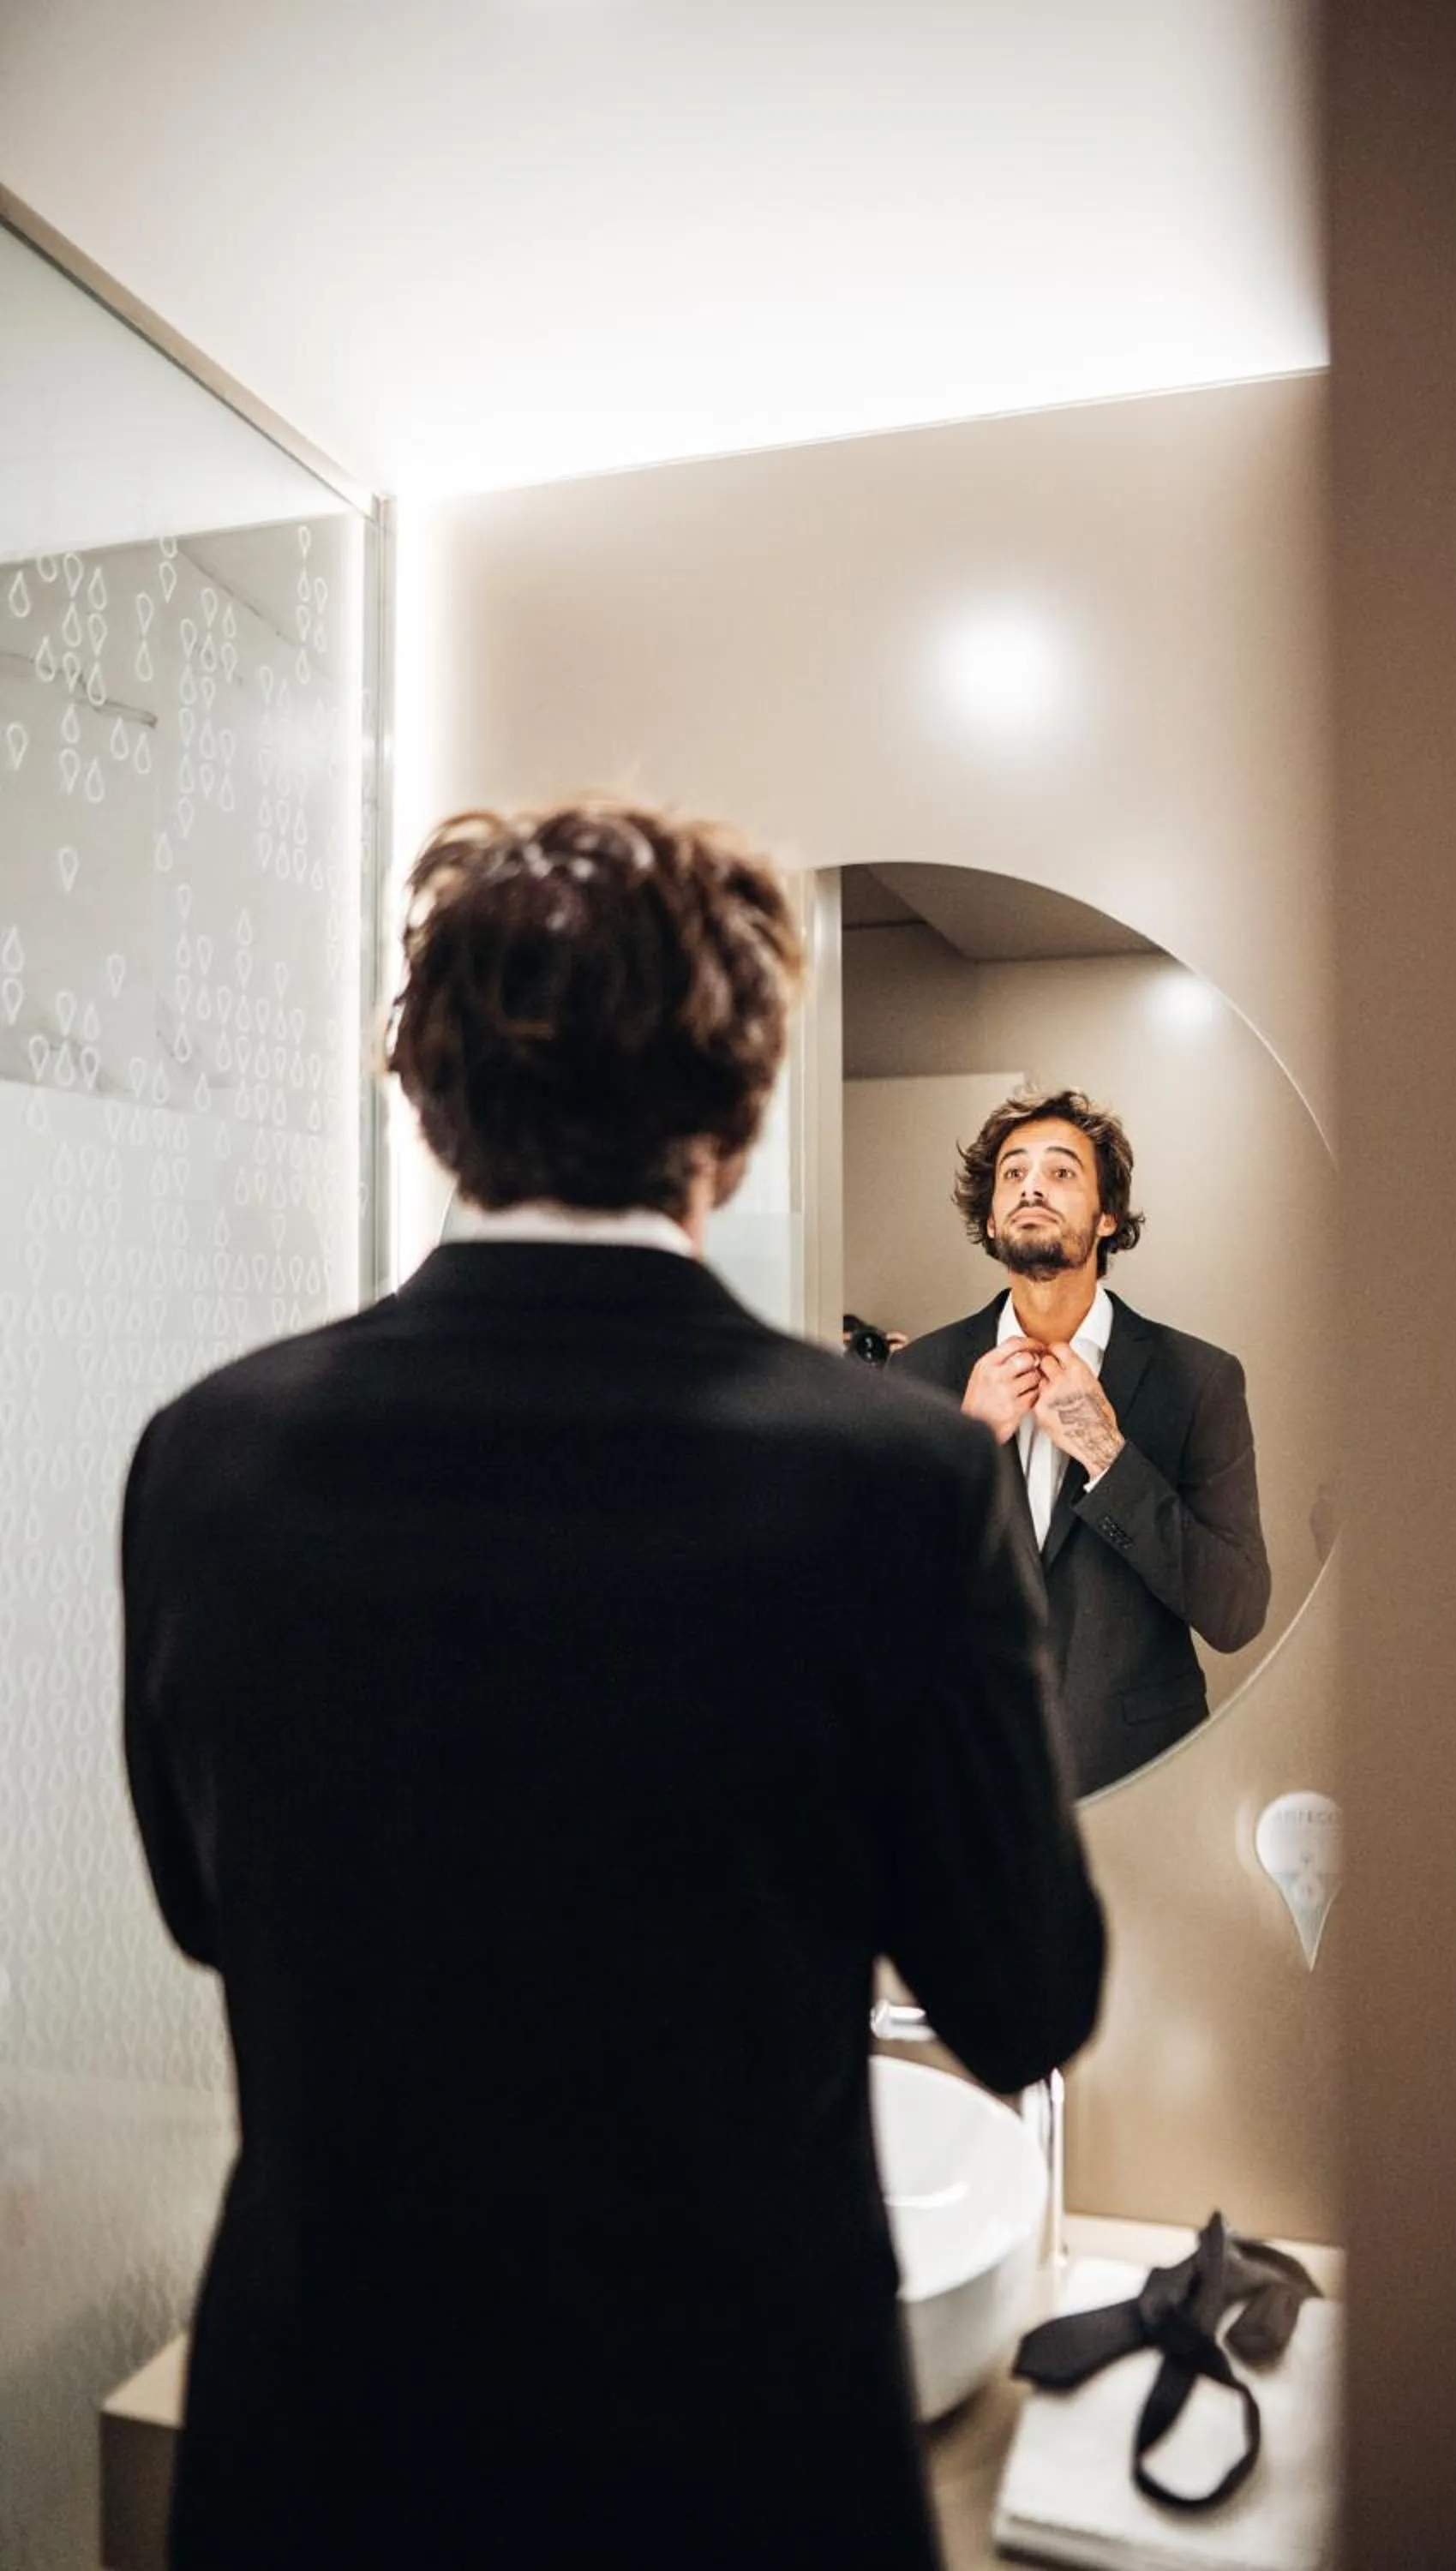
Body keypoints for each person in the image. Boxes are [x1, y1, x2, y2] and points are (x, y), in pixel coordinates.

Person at [121, 803, 1105, 2571]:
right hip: (739, 2453)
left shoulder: (209, 1456)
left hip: (325, 2445)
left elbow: (211, 1912)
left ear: (427, 1094)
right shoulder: (897, 1481)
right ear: (733, 1116)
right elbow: (1024, 1992)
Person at [890, 1086, 1270, 1799]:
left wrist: (1108, 1457)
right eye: (1013, 1172)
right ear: (991, 1217)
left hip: (1145, 1780)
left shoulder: (1200, 1379)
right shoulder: (919, 1374)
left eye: (1061, 1171)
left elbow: (1236, 1609)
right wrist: (962, 1452)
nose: (1032, 1185)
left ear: (1107, 1216)